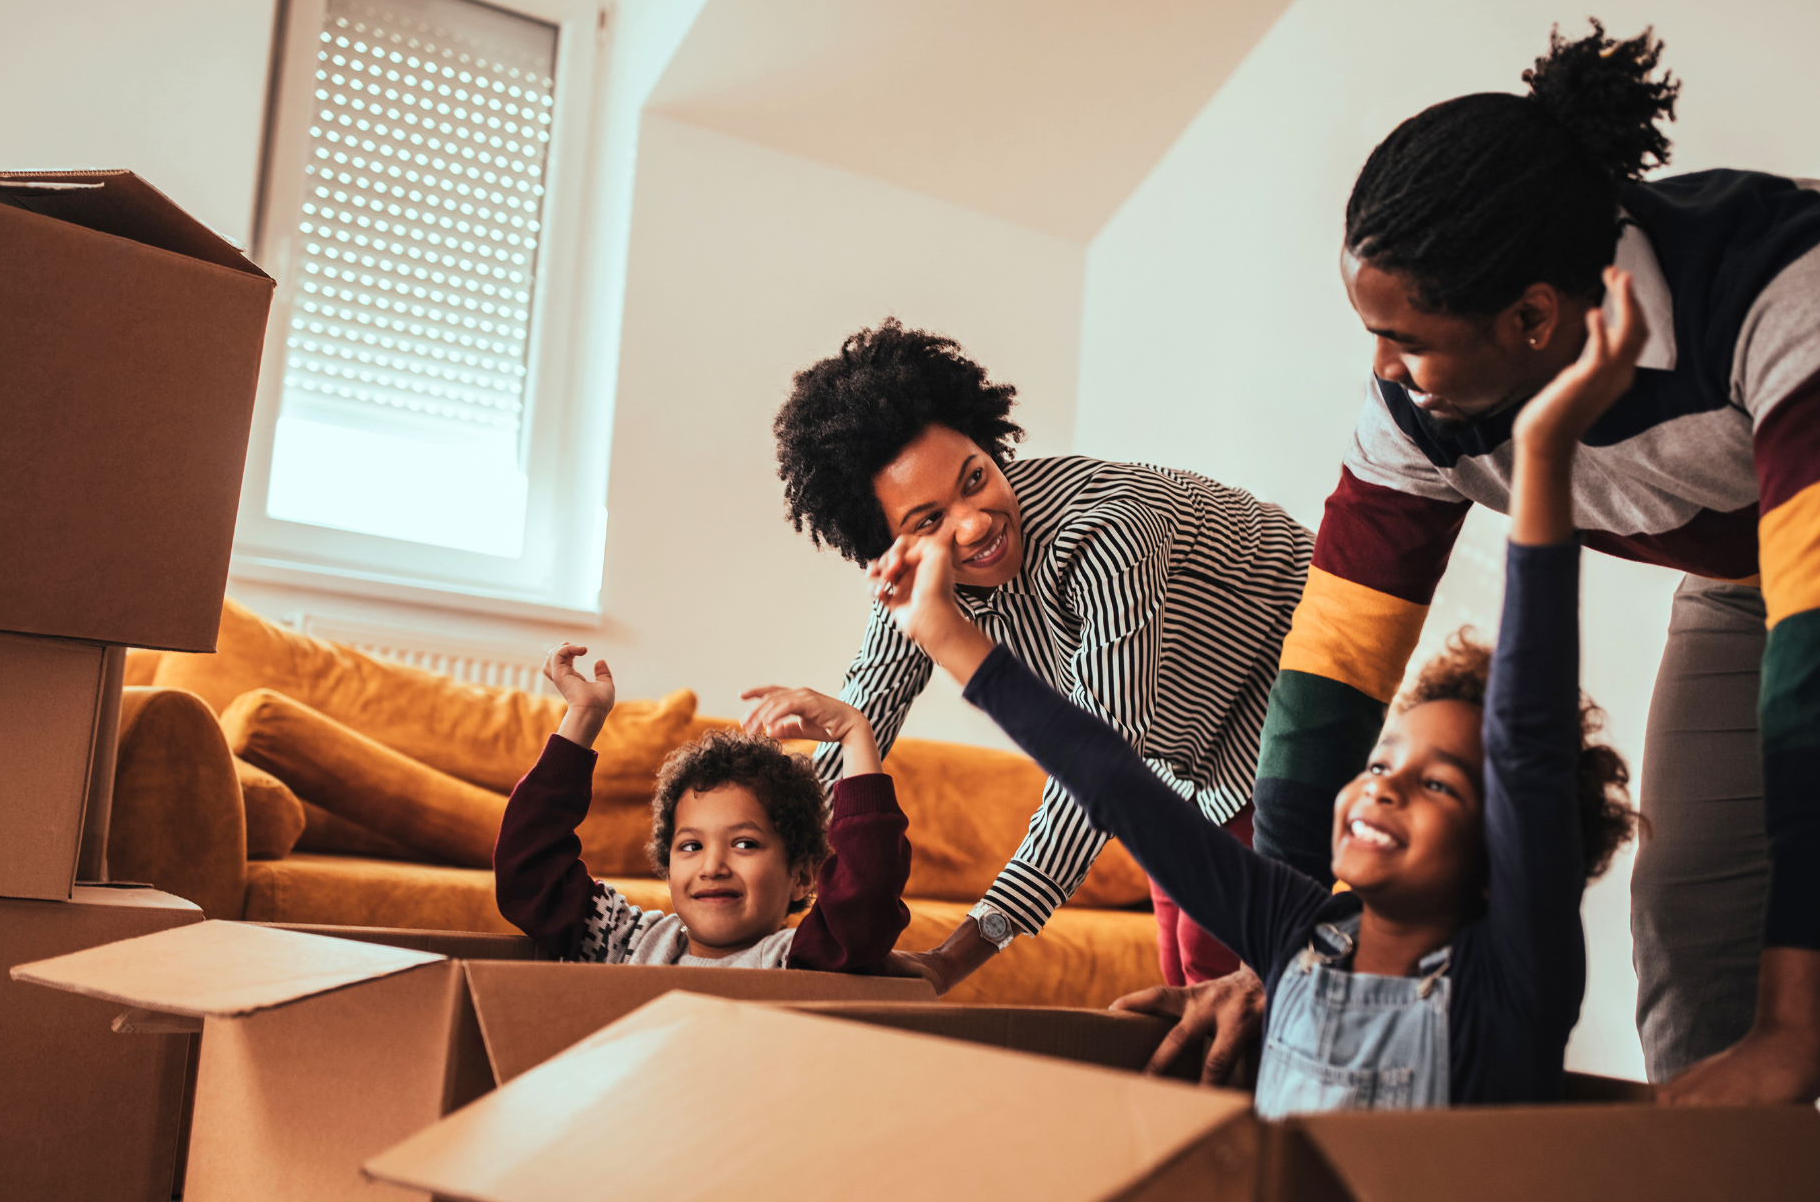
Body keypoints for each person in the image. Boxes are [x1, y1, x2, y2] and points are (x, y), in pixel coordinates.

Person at [1154, 19, 1820, 1192]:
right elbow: (1333, 663)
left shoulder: (1800, 280)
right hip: (1750, 551)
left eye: (1406, 339)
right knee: (1684, 906)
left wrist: (1798, 1034)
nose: (1382, 371)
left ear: (1535, 320)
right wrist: (1290, 955)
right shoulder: (1412, 414)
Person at [863, 275, 1641, 1110]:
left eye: (1439, 784)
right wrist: (944, 637)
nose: (1379, 783)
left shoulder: (1517, 977)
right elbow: (1109, 775)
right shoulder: (1292, 931)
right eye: (1382, 761)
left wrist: (1548, 457)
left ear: (1505, 849)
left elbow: (1524, 735)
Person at [774, 320, 1312, 990]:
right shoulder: (914, 580)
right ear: (891, 543)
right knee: (1182, 973)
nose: (973, 523)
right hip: (1177, 746)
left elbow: (1094, 774)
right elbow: (867, 706)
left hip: (1291, 686)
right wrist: (767, 849)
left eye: (976, 478)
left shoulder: (1109, 532)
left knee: (1220, 968)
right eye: (928, 520)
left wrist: (955, 956)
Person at [493, 643, 910, 970]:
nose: (712, 866)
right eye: (691, 846)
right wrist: (582, 718)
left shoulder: (798, 960)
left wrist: (856, 734)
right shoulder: (627, 941)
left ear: (801, 876)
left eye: (744, 844)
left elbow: (865, 901)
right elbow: (528, 874)